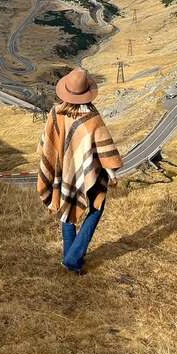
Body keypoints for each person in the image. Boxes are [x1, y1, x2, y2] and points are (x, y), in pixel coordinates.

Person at [37, 66, 123, 274]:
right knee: (96, 208)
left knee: (67, 209)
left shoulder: (55, 113)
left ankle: (70, 256)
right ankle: (73, 258)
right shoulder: (93, 119)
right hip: (88, 175)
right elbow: (104, 151)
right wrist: (112, 173)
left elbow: (46, 144)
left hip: (63, 171)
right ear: (87, 93)